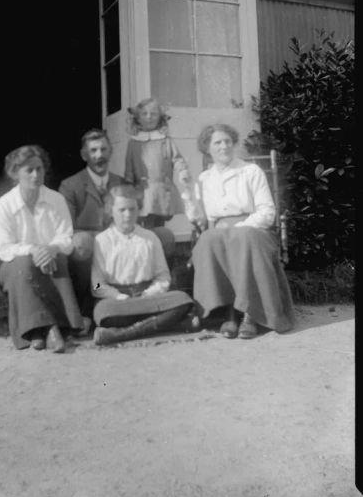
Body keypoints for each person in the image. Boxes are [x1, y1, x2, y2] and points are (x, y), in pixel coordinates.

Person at [185, 124, 294, 339]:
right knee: (207, 239)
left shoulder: (250, 171)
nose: (224, 146)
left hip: (254, 229)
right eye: (217, 142)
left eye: (228, 141)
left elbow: (267, 212)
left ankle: (248, 316)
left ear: (234, 144)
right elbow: (200, 219)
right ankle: (227, 313)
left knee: (242, 237)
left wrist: (237, 227)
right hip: (219, 232)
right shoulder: (204, 179)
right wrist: (188, 194)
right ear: (208, 148)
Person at [0, 145, 85, 352]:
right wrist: (34, 250)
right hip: (14, 267)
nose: (36, 175)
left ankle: (38, 333)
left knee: (59, 258)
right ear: (15, 173)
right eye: (29, 170)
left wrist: (51, 249)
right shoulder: (3, 206)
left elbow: (66, 237)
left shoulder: (56, 199)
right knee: (24, 264)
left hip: (51, 261)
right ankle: (51, 330)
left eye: (39, 169)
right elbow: (3, 249)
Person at [91, 184, 198, 346]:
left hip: (148, 297)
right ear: (110, 211)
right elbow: (97, 284)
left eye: (132, 209)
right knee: (103, 312)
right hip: (119, 302)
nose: (128, 215)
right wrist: (116, 296)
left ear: (138, 210)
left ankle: (118, 335)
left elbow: (163, 276)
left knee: (183, 300)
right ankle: (168, 324)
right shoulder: (102, 241)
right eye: (122, 210)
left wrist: (151, 292)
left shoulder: (149, 238)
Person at [59, 129, 125, 325]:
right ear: (84, 155)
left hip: (117, 244)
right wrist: (101, 238)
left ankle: (139, 301)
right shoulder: (70, 186)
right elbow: (66, 229)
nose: (99, 155)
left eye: (104, 149)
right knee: (83, 243)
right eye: (93, 150)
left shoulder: (120, 183)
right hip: (87, 251)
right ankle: (85, 309)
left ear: (111, 151)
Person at [125, 98, 192, 229]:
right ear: (137, 118)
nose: (149, 117)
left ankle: (161, 245)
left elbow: (177, 158)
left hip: (162, 188)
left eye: (153, 114)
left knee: (160, 222)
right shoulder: (133, 143)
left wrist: (182, 171)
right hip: (143, 189)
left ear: (160, 118)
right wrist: (128, 182)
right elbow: (129, 165)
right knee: (145, 221)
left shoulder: (165, 140)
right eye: (144, 114)